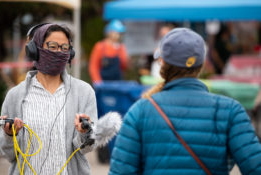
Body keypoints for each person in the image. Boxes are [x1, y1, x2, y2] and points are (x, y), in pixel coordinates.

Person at [109, 28, 261, 174]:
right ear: (201, 65)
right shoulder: (231, 110)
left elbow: (120, 171)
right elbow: (255, 167)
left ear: (162, 64)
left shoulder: (140, 111)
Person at [0, 23, 98, 175]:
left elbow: (87, 148)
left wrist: (84, 133)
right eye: (52, 46)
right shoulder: (15, 96)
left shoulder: (84, 93)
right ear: (35, 49)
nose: (59, 52)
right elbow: (7, 154)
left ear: (70, 54)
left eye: (64, 48)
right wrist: (9, 135)